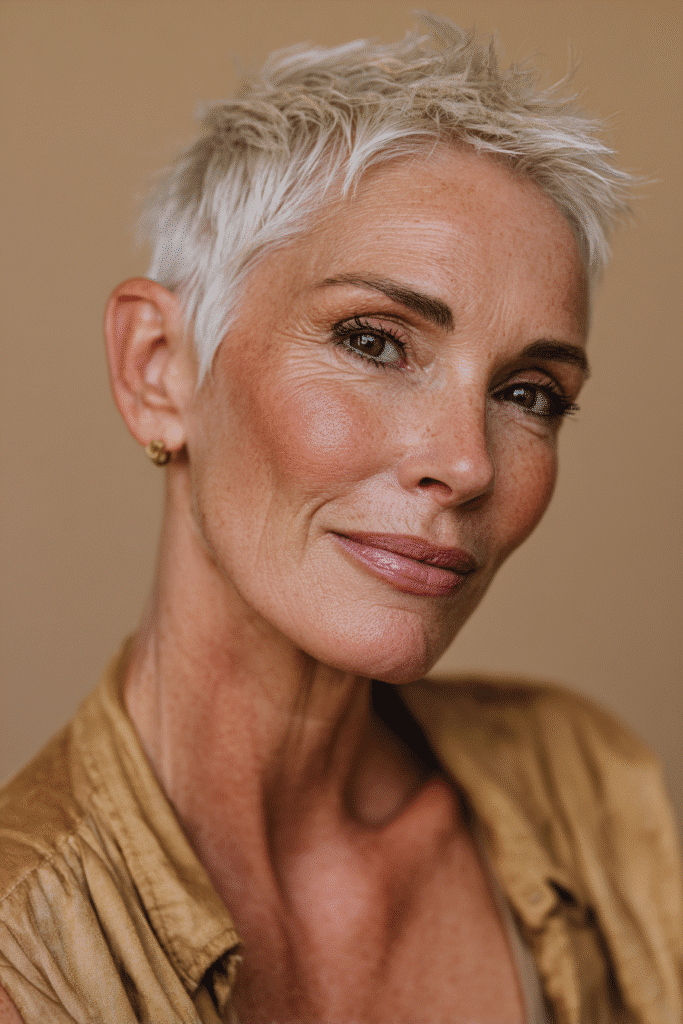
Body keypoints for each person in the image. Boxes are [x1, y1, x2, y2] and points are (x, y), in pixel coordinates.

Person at [0, 13, 680, 1024]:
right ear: (158, 369)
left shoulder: (590, 788)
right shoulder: (27, 951)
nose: (464, 461)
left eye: (529, 392)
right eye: (373, 340)